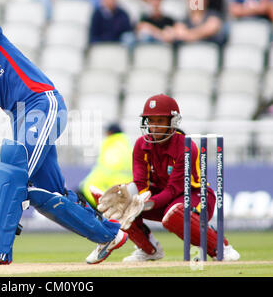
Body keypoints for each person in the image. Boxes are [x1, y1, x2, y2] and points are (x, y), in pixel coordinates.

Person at [0, 6, 127, 265]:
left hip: (42, 102)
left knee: (12, 170)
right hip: (20, 120)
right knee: (46, 193)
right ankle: (108, 234)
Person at [87, 94, 240, 262]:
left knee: (174, 214)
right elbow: (140, 183)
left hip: (195, 196)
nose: (154, 126)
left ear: (172, 122)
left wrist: (142, 203)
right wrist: (132, 199)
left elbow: (173, 189)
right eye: (151, 120)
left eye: (160, 120)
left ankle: (222, 247)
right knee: (121, 205)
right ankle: (148, 250)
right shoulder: (141, 145)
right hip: (161, 199)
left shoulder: (186, 146)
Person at [77, 123, 133, 209]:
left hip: (100, 194)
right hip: (121, 195)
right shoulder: (128, 148)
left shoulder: (112, 148)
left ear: (110, 133)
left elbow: (105, 173)